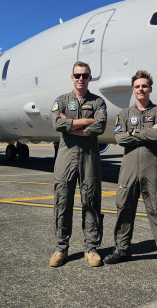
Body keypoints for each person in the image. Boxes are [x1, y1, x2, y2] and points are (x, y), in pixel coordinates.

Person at [103, 70, 157, 278]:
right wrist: (146, 134)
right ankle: (122, 249)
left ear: (150, 88)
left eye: (144, 86)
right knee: (124, 208)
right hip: (128, 169)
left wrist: (133, 134)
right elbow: (119, 138)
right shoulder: (124, 114)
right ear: (133, 90)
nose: (141, 89)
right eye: (137, 86)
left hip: (152, 169)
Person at [49, 61, 107, 267]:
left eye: (85, 75)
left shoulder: (99, 102)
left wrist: (71, 126)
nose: (81, 79)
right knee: (62, 202)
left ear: (90, 78)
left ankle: (91, 248)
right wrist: (87, 121)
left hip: (89, 158)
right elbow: (57, 123)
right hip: (66, 158)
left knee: (91, 201)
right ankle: (61, 248)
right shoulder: (61, 100)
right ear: (72, 77)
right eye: (77, 75)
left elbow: (100, 126)